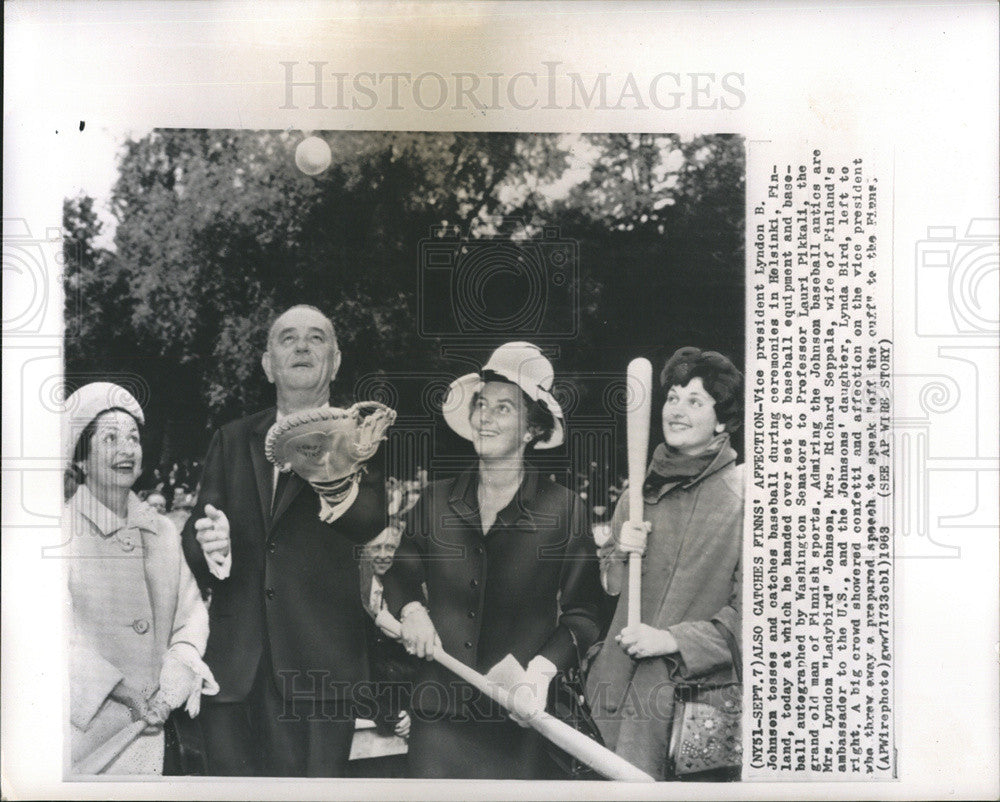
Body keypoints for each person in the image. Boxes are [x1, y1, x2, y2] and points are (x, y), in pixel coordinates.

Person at [180, 304, 387, 777]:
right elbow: (194, 542)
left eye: (317, 338)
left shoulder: (361, 436)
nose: (301, 346)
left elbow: (370, 520)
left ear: (334, 362)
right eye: (287, 338)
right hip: (234, 675)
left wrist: (330, 466)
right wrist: (213, 547)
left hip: (321, 675)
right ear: (267, 364)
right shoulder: (231, 439)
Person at [382, 341, 603, 779]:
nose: (484, 417)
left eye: (503, 409)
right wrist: (412, 610)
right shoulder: (436, 500)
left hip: (519, 722)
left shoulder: (563, 510)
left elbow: (586, 612)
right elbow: (400, 576)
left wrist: (540, 674)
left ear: (531, 430)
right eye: (481, 405)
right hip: (438, 717)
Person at [585, 347, 744, 781]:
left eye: (695, 401)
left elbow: (753, 619)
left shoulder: (743, 498)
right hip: (613, 697)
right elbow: (609, 593)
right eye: (672, 397)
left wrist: (671, 640)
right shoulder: (637, 493)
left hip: (692, 712)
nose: (677, 410)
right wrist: (620, 549)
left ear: (723, 420)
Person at [63, 382, 217, 775]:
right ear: (80, 460)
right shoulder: (58, 533)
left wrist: (180, 666)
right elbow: (50, 639)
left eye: (133, 438)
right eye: (110, 439)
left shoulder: (163, 531)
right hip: (85, 740)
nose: (127, 450)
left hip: (158, 731)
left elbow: (191, 611)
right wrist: (122, 690)